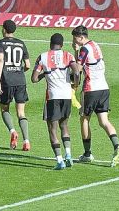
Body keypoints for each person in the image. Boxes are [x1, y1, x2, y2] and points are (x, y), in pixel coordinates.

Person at [71, 26, 119, 166]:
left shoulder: (84, 49)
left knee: (84, 120)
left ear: (81, 37)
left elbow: (78, 69)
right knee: (104, 121)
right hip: (104, 88)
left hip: (91, 89)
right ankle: (117, 146)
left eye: (75, 38)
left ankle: (87, 154)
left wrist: (75, 52)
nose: (73, 41)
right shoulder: (96, 45)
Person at [31, 33, 81, 170]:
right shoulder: (68, 55)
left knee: (52, 129)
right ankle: (69, 155)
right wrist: (75, 84)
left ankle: (59, 160)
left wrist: (45, 74)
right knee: (64, 126)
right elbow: (76, 72)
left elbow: (34, 79)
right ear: (62, 44)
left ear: (50, 43)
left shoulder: (43, 57)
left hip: (52, 96)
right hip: (66, 95)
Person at [0, 19, 31, 152]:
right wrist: (19, 71)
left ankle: (12, 131)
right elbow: (27, 65)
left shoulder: (0, 43)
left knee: (4, 109)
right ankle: (26, 141)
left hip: (7, 81)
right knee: (21, 112)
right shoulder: (21, 44)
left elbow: (0, 60)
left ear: (4, 29)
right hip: (20, 80)